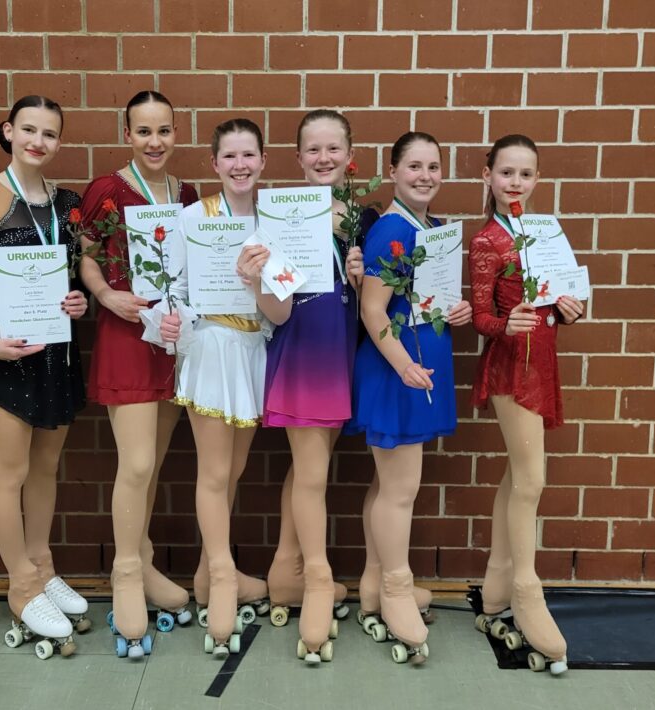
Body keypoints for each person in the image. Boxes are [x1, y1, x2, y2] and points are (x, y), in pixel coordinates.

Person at [0, 95, 91, 659]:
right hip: (7, 354)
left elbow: (76, 277)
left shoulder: (68, 202)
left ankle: (42, 564)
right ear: (8, 131)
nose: (39, 141)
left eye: (50, 134)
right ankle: (20, 584)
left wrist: (81, 301)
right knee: (10, 471)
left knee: (45, 468)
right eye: (29, 129)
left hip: (56, 351)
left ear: (60, 142)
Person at [79, 91, 199, 657]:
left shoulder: (187, 195)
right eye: (144, 131)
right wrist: (106, 295)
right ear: (127, 134)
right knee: (138, 462)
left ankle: (145, 561)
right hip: (127, 335)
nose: (155, 142)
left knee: (154, 465)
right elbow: (85, 256)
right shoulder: (107, 189)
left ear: (176, 133)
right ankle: (124, 573)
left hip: (171, 339)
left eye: (164, 131)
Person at [346, 132, 473, 665]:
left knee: (388, 485)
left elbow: (426, 299)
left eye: (433, 166)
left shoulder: (433, 228)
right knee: (401, 489)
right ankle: (396, 589)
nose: (425, 175)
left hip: (418, 368)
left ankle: (375, 585)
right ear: (394, 171)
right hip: (397, 371)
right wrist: (403, 367)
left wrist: (459, 309)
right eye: (414, 166)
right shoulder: (392, 230)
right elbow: (372, 310)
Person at [242, 110, 365, 662]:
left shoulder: (360, 216)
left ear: (349, 155)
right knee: (313, 474)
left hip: (343, 350)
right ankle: (316, 579)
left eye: (333, 148)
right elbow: (278, 310)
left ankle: (285, 569)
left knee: (309, 466)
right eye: (312, 149)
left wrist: (360, 274)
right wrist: (257, 282)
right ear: (297, 158)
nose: (323, 158)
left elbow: (368, 300)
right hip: (305, 352)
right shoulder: (279, 217)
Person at [468, 133, 584, 675]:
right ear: (488, 176)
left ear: (538, 179)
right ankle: (524, 589)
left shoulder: (547, 232)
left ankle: (494, 588)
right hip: (511, 364)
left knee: (518, 475)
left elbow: (564, 295)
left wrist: (570, 307)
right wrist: (504, 324)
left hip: (544, 360)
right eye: (506, 172)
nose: (516, 182)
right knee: (533, 480)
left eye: (526, 174)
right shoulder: (487, 241)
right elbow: (481, 316)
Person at [159, 118, 272, 659]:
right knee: (214, 470)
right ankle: (224, 576)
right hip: (209, 348)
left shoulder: (275, 220)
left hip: (253, 350)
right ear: (214, 164)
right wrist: (171, 321)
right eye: (230, 156)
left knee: (235, 470)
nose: (240, 165)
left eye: (249, 155)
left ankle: (208, 572)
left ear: (263, 161)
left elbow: (282, 303)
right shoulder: (192, 217)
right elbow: (173, 288)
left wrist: (259, 283)